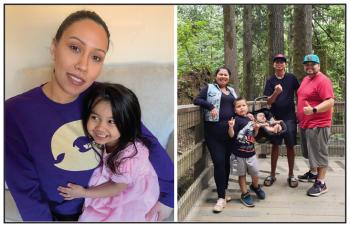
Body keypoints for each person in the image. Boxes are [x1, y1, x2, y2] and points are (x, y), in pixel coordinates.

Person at [5, 10, 173, 221]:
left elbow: (146, 142)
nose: (83, 66)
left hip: (116, 209)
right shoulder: (14, 112)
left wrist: (168, 195)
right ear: (54, 47)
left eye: (96, 57)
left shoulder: (104, 98)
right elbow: (25, 190)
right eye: (75, 48)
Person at [57, 83, 159, 221]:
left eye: (111, 121)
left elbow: (117, 187)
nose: (100, 127)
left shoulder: (130, 156)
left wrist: (83, 193)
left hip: (129, 198)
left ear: (127, 122)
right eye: (95, 118)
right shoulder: (106, 141)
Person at [193, 66, 237, 213]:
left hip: (229, 131)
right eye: (220, 74)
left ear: (229, 77)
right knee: (218, 162)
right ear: (216, 76)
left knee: (226, 162)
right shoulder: (209, 88)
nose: (223, 76)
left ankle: (223, 192)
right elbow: (196, 100)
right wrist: (210, 105)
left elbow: (237, 107)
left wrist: (247, 115)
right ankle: (220, 198)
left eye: (225, 74)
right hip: (213, 131)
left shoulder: (232, 91)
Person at [296, 54, 334, 197]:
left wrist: (314, 110)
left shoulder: (323, 80)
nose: (309, 67)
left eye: (313, 64)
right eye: (307, 64)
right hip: (306, 123)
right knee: (310, 153)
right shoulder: (306, 79)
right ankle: (313, 174)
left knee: (319, 154)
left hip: (319, 124)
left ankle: (321, 183)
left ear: (319, 65)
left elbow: (330, 102)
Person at [263, 54, 300, 188]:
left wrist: (300, 110)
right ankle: (272, 175)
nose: (279, 64)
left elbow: (299, 94)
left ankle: (291, 174)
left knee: (290, 145)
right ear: (274, 65)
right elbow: (268, 101)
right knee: (275, 145)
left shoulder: (292, 78)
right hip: (275, 118)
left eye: (282, 62)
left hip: (290, 117)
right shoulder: (270, 80)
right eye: (277, 62)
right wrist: (276, 93)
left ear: (285, 64)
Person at [228, 97, 266, 207]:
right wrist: (230, 127)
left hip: (251, 153)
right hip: (238, 155)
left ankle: (255, 186)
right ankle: (244, 194)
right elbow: (232, 135)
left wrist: (257, 129)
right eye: (238, 106)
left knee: (255, 173)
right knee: (242, 175)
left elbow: (253, 136)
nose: (241, 108)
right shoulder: (235, 120)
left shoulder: (250, 119)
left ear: (247, 107)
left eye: (243, 105)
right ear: (235, 110)